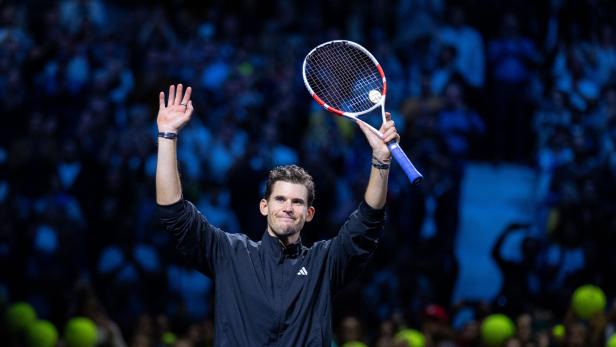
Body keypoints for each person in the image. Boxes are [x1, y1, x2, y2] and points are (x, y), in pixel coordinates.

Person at [155, 84, 400, 346]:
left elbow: (368, 221)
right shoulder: (230, 254)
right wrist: (167, 136)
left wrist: (380, 160)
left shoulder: (324, 262)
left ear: (309, 213)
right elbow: (174, 212)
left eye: (297, 202)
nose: (287, 207)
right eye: (280, 199)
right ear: (264, 206)